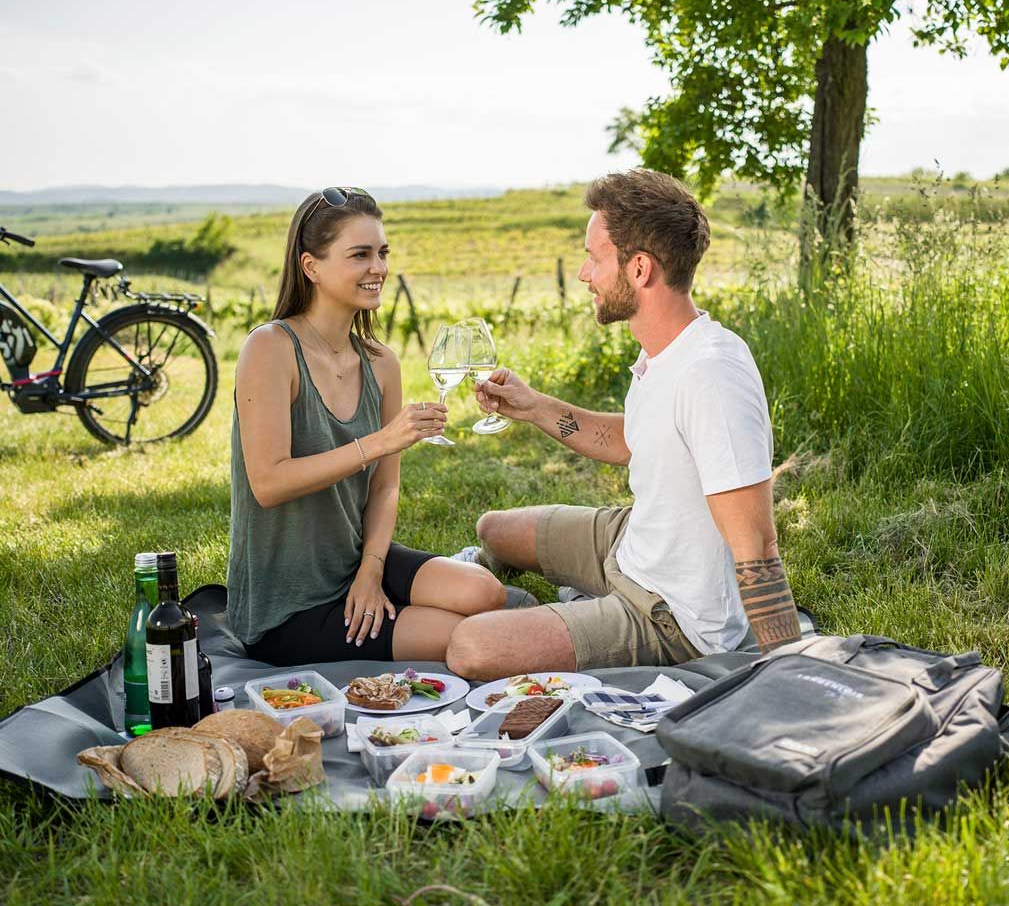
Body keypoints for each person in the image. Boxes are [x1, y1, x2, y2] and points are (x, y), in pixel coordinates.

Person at [444, 170, 804, 679]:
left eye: (594, 258)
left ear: (639, 269)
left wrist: (789, 676)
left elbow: (758, 550)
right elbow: (635, 439)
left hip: (669, 614)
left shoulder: (711, 374)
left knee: (471, 647)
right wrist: (532, 406)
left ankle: (560, 617)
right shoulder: (665, 352)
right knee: (494, 531)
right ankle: (574, 602)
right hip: (633, 542)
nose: (584, 275)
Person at [227, 187, 507, 665]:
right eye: (360, 255)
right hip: (289, 603)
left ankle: (391, 598)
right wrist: (378, 441)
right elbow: (269, 483)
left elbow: (384, 488)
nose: (378, 268)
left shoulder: (380, 362)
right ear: (311, 267)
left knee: (485, 593)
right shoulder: (270, 348)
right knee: (471, 639)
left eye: (382, 253)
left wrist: (372, 572)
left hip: (357, 562)